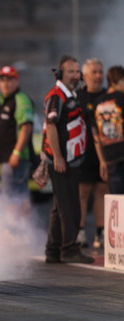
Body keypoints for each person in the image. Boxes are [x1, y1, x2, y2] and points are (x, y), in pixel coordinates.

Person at [42, 55, 94, 264]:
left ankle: (53, 250)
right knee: (70, 207)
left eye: (77, 71)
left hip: (71, 160)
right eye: (71, 71)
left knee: (60, 207)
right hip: (62, 162)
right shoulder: (56, 95)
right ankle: (70, 248)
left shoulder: (71, 94)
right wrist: (58, 157)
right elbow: (51, 126)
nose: (75, 75)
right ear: (60, 73)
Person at [0, 65, 34, 209]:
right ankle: (20, 222)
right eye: (2, 80)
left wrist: (16, 152)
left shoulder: (20, 100)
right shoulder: (4, 100)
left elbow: (26, 127)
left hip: (15, 158)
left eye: (9, 80)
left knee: (14, 196)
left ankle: (17, 222)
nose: (5, 84)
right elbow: (4, 130)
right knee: (13, 194)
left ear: (16, 81)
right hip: (6, 156)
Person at [76, 58, 108, 248]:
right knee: (83, 191)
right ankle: (80, 232)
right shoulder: (78, 97)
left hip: (104, 153)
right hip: (83, 152)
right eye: (94, 72)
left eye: (100, 72)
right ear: (85, 76)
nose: (98, 76)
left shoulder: (108, 96)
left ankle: (100, 232)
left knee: (102, 191)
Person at [93, 65, 124, 194]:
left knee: (117, 199)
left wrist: (102, 160)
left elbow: (96, 135)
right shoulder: (122, 97)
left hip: (109, 157)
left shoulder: (98, 103)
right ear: (118, 80)